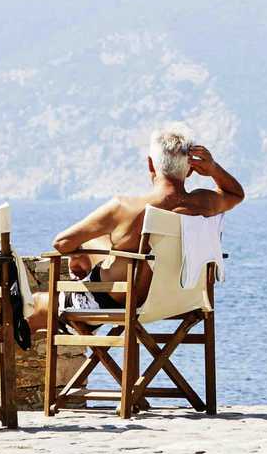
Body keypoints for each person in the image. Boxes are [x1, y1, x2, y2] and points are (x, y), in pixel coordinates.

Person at [27, 122, 245, 327]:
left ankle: (7, 363)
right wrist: (214, 169)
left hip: (116, 302)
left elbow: (62, 243)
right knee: (101, 240)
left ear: (150, 164)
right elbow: (235, 194)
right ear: (190, 169)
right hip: (177, 302)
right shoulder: (204, 204)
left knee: (36, 303)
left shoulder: (124, 208)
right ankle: (84, 317)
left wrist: (79, 253)